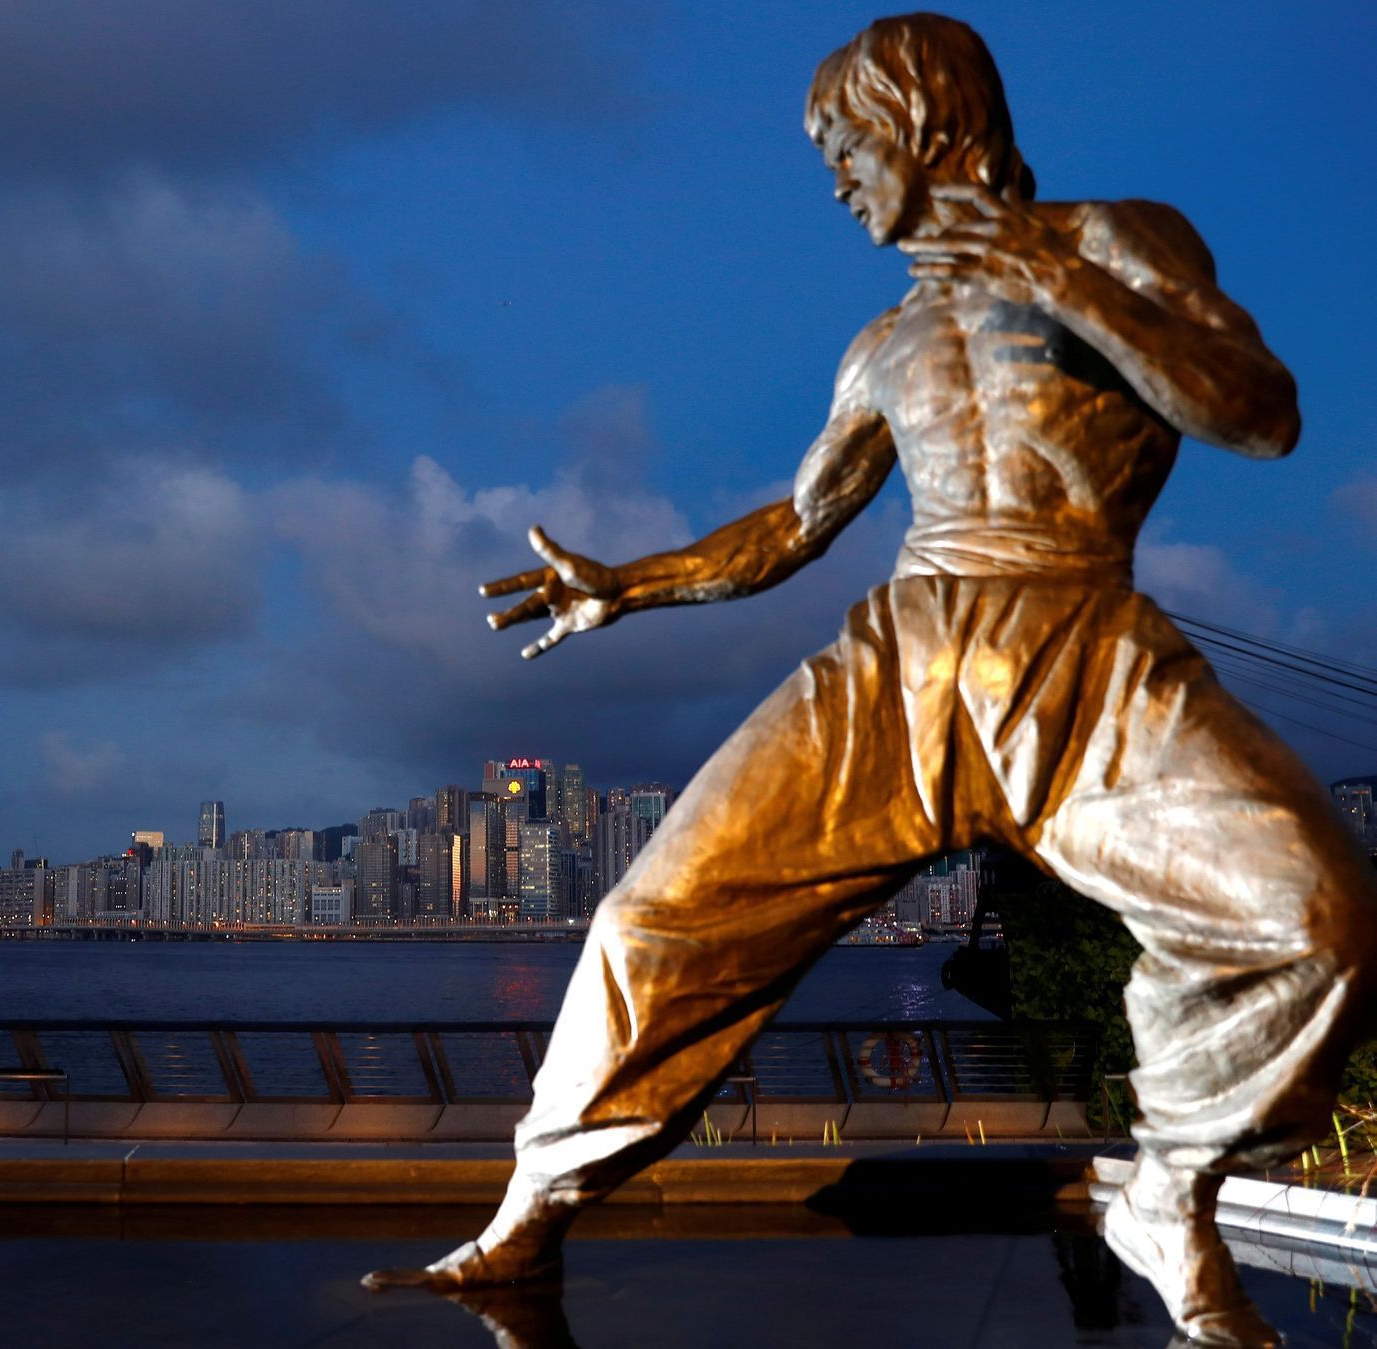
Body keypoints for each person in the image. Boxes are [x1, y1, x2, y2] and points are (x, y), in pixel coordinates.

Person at [364, 15, 1376, 1346]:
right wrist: (632, 583)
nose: (836, 178)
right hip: (898, 667)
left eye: (844, 144)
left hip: (1077, 646)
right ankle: (528, 1211)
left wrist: (1055, 282)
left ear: (920, 118)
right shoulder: (880, 341)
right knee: (646, 924)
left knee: (1312, 920)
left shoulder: (1117, 240)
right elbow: (791, 527)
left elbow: (1258, 408)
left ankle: (1170, 1193)